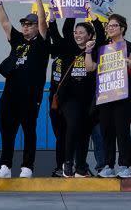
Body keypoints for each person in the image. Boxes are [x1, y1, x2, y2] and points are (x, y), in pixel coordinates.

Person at [0, 0, 49, 179]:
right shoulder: (18, 41)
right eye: (24, 24)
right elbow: (5, 23)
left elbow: (42, 22)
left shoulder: (41, 43)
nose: (26, 27)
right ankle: (5, 166)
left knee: (29, 131)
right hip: (10, 95)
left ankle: (27, 166)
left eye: (29, 24)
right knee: (7, 131)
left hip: (30, 96)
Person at [85, 13, 131, 178]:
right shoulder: (102, 47)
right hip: (105, 94)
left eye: (114, 25)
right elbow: (91, 68)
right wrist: (88, 52)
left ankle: (125, 164)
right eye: (108, 26)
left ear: (122, 28)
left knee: (122, 130)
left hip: (124, 95)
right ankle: (108, 165)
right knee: (107, 131)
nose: (110, 28)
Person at [57, 20, 100, 178]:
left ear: (90, 35)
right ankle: (67, 162)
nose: (77, 35)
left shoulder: (95, 50)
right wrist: (71, 13)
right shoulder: (69, 47)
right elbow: (66, 29)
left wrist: (93, 16)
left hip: (88, 99)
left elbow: (100, 34)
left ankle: (81, 166)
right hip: (69, 98)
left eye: (81, 32)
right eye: (76, 32)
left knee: (85, 131)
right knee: (74, 124)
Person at [47, 9, 75, 178]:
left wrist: (72, 11)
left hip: (70, 100)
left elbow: (65, 30)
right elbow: (54, 33)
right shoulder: (57, 50)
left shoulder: (72, 50)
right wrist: (51, 18)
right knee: (60, 136)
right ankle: (60, 166)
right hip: (55, 100)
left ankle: (71, 165)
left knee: (70, 134)